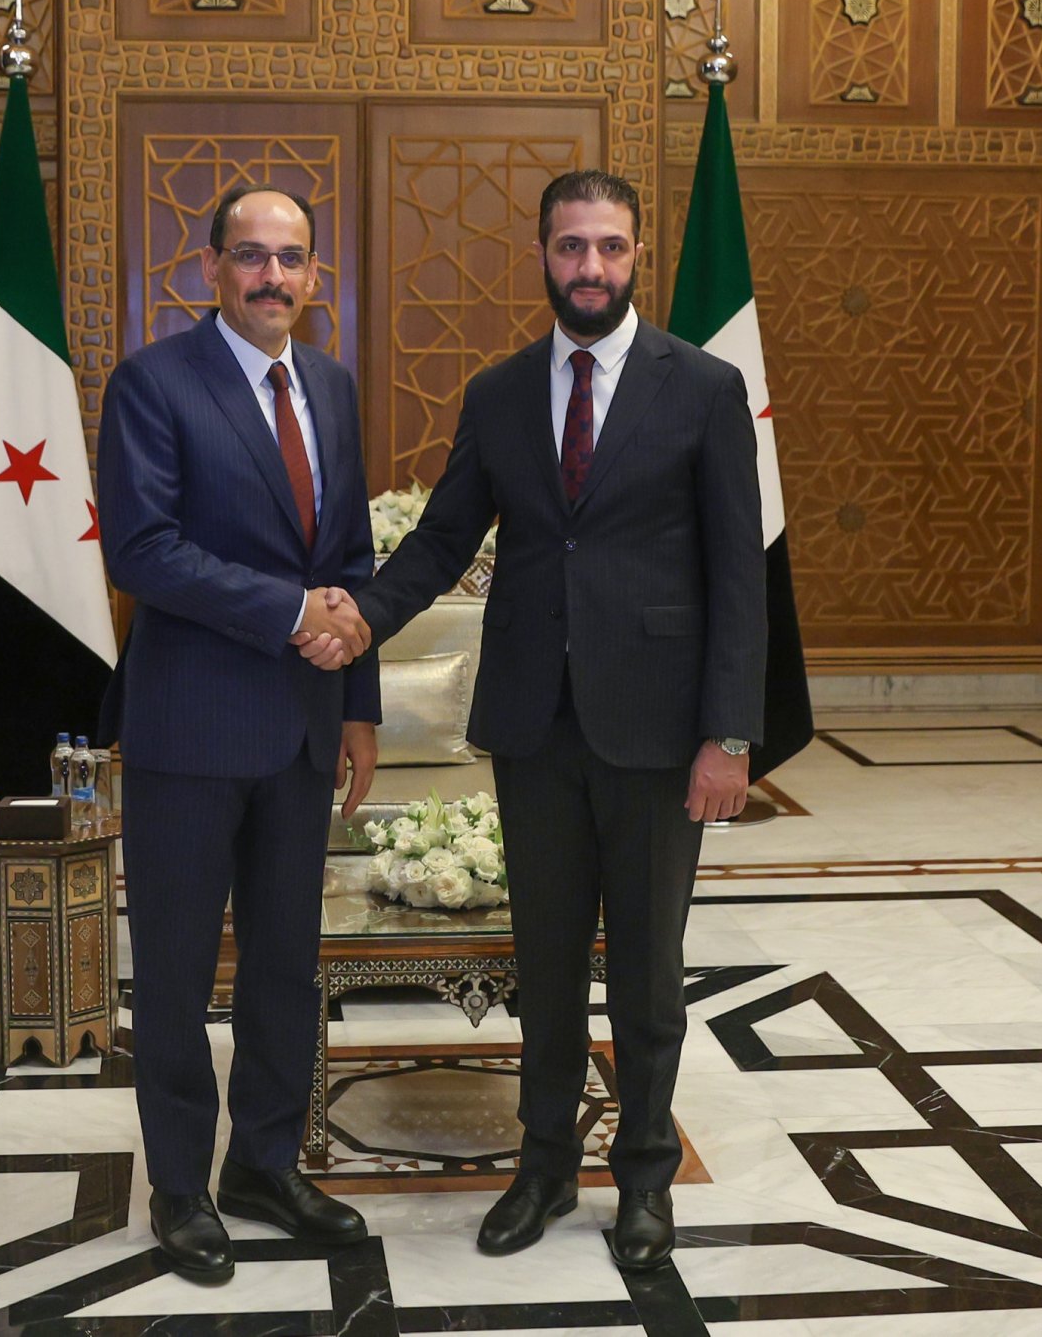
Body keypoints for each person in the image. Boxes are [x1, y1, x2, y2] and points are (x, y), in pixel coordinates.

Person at [304, 168, 765, 1271]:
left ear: (637, 255)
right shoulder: (502, 390)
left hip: (660, 735)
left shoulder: (701, 386)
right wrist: (361, 617)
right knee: (548, 968)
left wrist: (731, 737)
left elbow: (739, 575)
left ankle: (645, 1176)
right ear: (543, 256)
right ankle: (545, 1166)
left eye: (609, 247)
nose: (590, 268)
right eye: (571, 248)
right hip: (534, 729)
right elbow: (443, 538)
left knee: (648, 978)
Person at [95, 183, 381, 1283]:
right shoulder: (154, 383)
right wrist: (288, 613)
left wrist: (358, 707)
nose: (273, 278)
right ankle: (180, 1184)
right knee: (171, 974)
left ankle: (264, 1163)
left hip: (305, 729)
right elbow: (144, 549)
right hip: (189, 729)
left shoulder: (334, 388)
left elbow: (347, 558)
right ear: (211, 268)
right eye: (251, 257)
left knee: (284, 970)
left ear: (315, 277)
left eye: (292, 258)